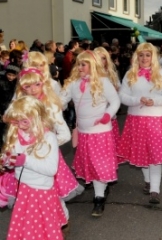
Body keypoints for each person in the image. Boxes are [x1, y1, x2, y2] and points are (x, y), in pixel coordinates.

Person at [15, 67, 84, 230]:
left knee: (54, 193)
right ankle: (39, 225)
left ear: (43, 85)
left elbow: (65, 134)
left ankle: (62, 223)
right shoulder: (20, 106)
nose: (32, 90)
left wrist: (47, 147)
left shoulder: (50, 106)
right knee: (30, 193)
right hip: (25, 159)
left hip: (46, 159)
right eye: (27, 86)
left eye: (36, 85)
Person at [60, 50, 120, 217]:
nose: (80, 67)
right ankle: (101, 190)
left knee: (99, 164)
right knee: (91, 164)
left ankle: (99, 198)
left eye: (83, 64)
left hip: (100, 132)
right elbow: (60, 101)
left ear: (92, 66)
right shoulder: (73, 84)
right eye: (78, 64)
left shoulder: (103, 81)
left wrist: (107, 115)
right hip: (83, 132)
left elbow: (115, 100)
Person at [118, 42, 162, 204]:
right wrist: (137, 100)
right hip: (136, 120)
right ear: (137, 56)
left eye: (148, 55)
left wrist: (155, 101)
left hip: (156, 120)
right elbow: (122, 96)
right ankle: (148, 181)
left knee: (155, 155)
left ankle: (155, 190)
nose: (144, 58)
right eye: (141, 55)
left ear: (153, 57)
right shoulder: (130, 74)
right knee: (142, 154)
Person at [2, 96, 67, 239]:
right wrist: (7, 161)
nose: (20, 126)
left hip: (42, 191)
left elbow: (51, 170)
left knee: (42, 229)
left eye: (24, 121)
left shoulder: (48, 138)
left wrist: (25, 160)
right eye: (17, 122)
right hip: (23, 189)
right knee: (26, 228)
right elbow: (13, 159)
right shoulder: (17, 136)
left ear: (37, 117)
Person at [94, 47, 122, 163]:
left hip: (109, 116)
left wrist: (116, 91)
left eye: (104, 58)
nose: (101, 61)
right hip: (92, 117)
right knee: (95, 149)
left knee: (109, 148)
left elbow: (120, 92)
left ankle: (107, 171)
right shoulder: (87, 75)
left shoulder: (112, 74)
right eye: (98, 58)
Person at [0, 63, 20, 148]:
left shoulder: (18, 84)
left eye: (13, 75)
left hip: (13, 111)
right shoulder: (1, 83)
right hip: (2, 111)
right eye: (9, 74)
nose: (10, 77)